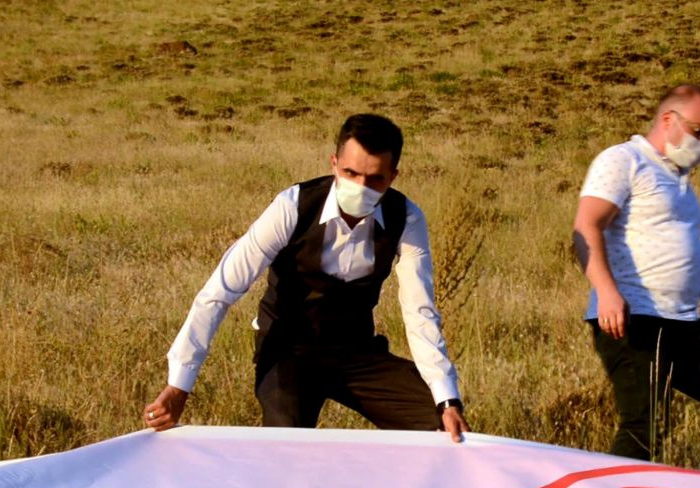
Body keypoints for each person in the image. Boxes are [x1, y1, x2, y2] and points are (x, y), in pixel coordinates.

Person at [144, 113, 468, 441]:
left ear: (392, 176)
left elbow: (419, 312)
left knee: (440, 426)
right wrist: (179, 385)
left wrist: (447, 399)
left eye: (375, 180)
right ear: (334, 163)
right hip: (288, 351)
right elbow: (220, 291)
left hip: (355, 351)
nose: (360, 188)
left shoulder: (407, 218)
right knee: (285, 441)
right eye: (350, 173)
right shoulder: (292, 207)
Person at [572, 84, 700, 477]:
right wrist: (607, 293)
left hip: (683, 321)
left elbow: (680, 263)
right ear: (669, 120)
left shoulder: (679, 181)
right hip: (632, 319)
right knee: (645, 426)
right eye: (699, 131)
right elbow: (586, 227)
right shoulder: (624, 160)